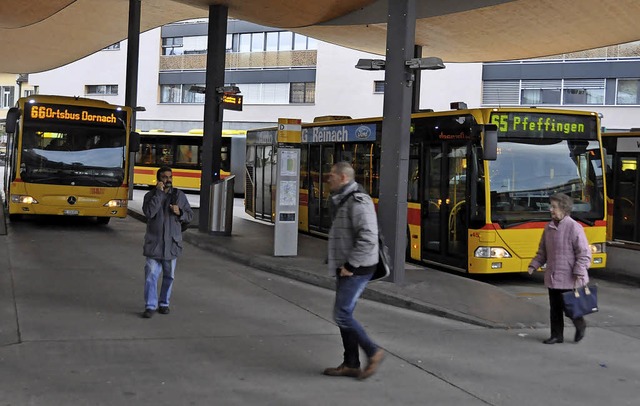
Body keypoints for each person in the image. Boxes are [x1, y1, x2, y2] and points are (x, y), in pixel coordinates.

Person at [323, 161, 384, 380]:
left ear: (343, 178)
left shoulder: (358, 201)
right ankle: (351, 363)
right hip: (347, 266)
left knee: (342, 313)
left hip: (357, 268)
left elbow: (368, 237)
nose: (328, 178)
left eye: (332, 175)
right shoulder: (343, 199)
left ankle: (373, 352)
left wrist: (350, 266)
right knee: (343, 315)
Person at [528, 193, 591, 344]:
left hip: (571, 276)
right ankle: (556, 335)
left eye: (554, 207)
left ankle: (580, 324)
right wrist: (534, 265)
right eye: (551, 206)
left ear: (564, 208)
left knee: (569, 307)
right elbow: (542, 251)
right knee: (555, 308)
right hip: (553, 275)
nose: (551, 210)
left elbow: (584, 253)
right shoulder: (548, 228)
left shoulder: (574, 227)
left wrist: (579, 270)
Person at [141, 166, 193, 318]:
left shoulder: (179, 195)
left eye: (170, 177)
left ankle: (164, 303)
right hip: (154, 244)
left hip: (172, 244)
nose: (168, 180)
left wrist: (180, 212)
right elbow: (149, 212)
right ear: (158, 180)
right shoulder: (150, 195)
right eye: (164, 177)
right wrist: (158, 193)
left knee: (169, 276)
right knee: (151, 275)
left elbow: (190, 216)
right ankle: (150, 305)